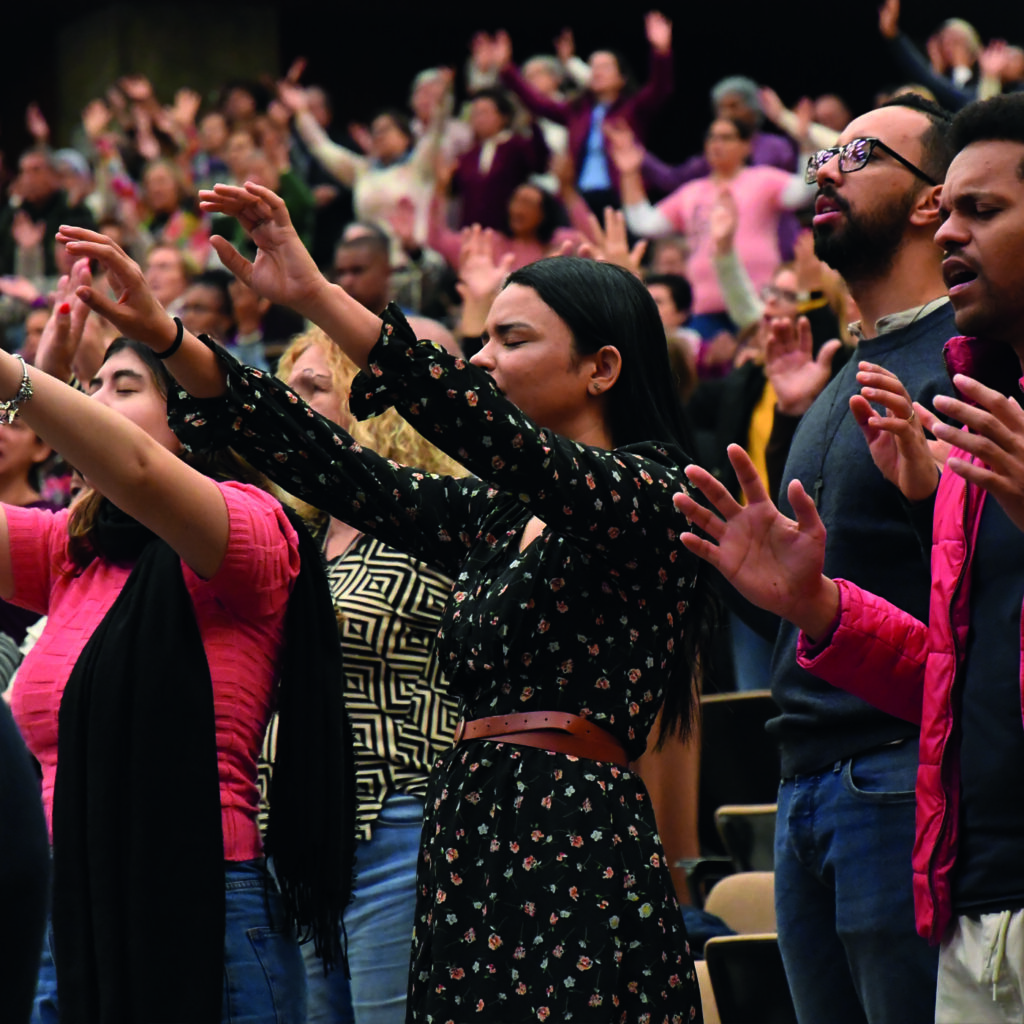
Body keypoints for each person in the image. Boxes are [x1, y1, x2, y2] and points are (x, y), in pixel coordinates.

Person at [78, 180, 711, 1023]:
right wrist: (168, 338)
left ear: (602, 368)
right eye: (482, 339)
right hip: (469, 834)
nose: (482, 360)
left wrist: (315, 294)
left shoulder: (655, 495)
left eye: (511, 339)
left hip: (572, 837)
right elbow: (332, 464)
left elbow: (486, 429)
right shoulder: (496, 516)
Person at [675, 89, 1024, 1024]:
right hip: (814, 775)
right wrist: (806, 601)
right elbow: (930, 633)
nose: (826, 169)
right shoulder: (847, 378)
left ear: (927, 198)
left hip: (903, 777)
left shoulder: (968, 371)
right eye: (822, 155)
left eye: (860, 154)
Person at [8, 250, 352, 1022]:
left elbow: (135, 469)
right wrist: (21, 407)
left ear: (191, 419)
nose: (95, 402)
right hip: (70, 906)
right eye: (92, 387)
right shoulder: (74, 550)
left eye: (124, 387)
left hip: (207, 902)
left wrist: (18, 382)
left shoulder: (254, 527)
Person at [263, 329, 465, 1024]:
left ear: (375, 406)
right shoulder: (301, 532)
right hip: (299, 832)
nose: (292, 404)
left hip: (399, 816)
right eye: (287, 389)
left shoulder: (434, 519)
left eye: (313, 388)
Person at [617, 116, 813, 341]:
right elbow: (644, 223)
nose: (716, 144)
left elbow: (804, 192)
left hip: (758, 304)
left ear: (746, 146)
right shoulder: (691, 192)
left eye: (726, 138)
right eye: (712, 138)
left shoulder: (763, 179)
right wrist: (629, 173)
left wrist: (806, 143)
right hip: (705, 310)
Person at [495, 12, 675, 212]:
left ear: (622, 78)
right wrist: (506, 69)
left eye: (605, 67)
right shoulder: (576, 110)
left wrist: (661, 52)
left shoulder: (633, 108)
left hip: (621, 196)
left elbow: (660, 88)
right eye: (593, 67)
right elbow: (538, 103)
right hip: (579, 198)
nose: (597, 72)